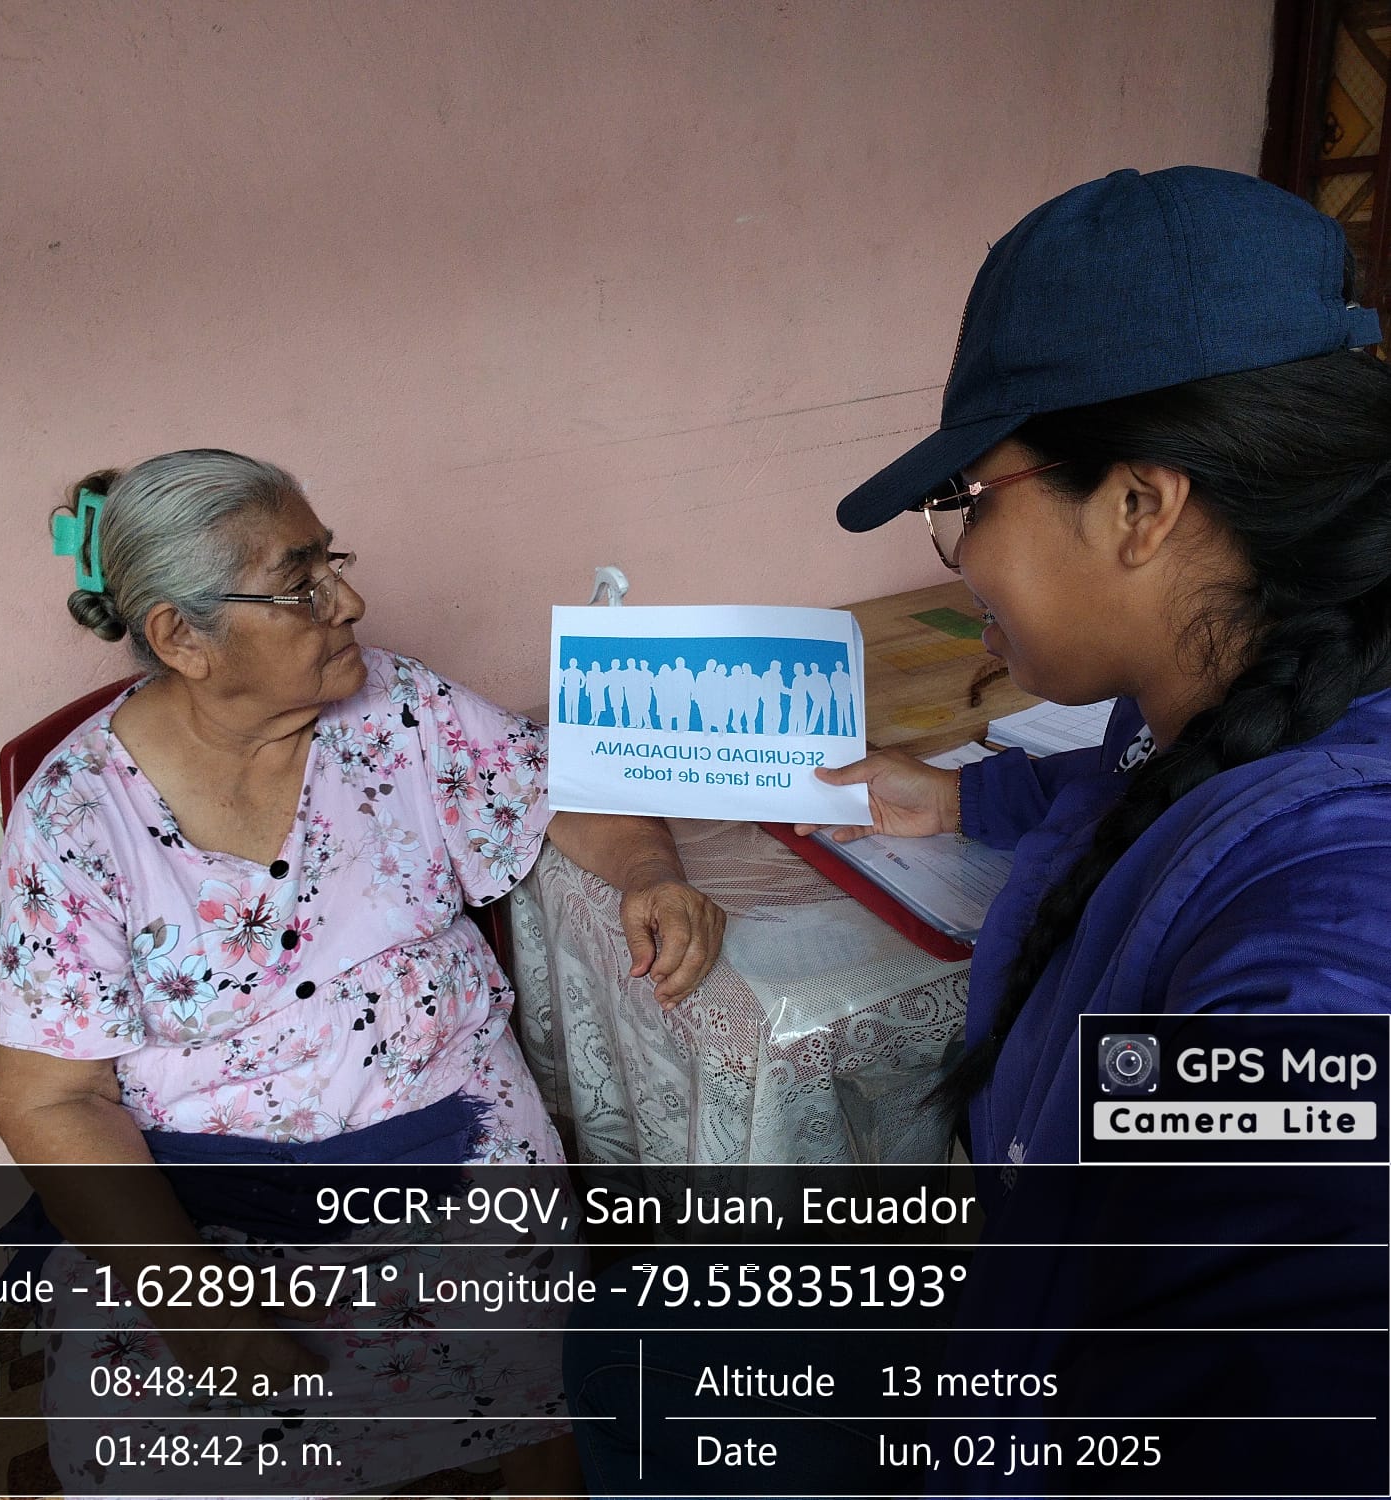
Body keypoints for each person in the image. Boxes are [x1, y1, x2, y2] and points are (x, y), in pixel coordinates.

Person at [569, 166, 1391, 1500]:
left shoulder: (1334, 894)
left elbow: (1281, 1365)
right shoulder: (1229, 696)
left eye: (970, 499)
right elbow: (1136, 789)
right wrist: (963, 799)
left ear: (1140, 506)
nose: (960, 553)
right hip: (1028, 1294)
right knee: (641, 1330)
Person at [0, 448, 725, 1498]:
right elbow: (47, 1098)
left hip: (457, 1155)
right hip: (206, 1206)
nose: (349, 601)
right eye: (301, 583)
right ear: (181, 638)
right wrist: (197, 1306)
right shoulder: (80, 818)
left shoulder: (400, 710)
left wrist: (649, 871)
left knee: (548, 1374)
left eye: (334, 563)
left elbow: (561, 787)